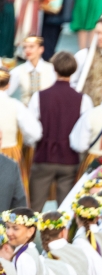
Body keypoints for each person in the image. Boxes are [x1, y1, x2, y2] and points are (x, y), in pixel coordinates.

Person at [28, 52, 92, 214]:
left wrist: (36, 144)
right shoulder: (83, 99)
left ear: (54, 69)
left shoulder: (39, 96)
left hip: (43, 157)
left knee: (34, 208)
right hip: (69, 159)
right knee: (65, 211)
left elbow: (32, 130)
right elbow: (85, 130)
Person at [0, 68, 42, 198]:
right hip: (10, 153)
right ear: (8, 85)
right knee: (12, 196)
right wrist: (26, 141)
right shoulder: (15, 105)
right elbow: (35, 133)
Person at [8, 35, 56, 107]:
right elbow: (4, 92)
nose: (27, 50)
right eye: (25, 47)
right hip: (26, 111)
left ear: (41, 49)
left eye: (31, 47)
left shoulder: (52, 69)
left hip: (47, 110)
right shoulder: (18, 71)